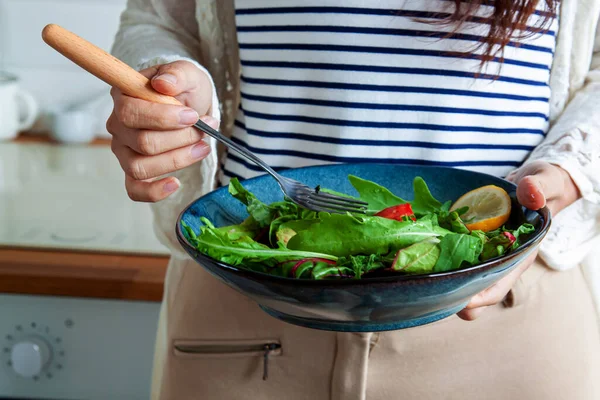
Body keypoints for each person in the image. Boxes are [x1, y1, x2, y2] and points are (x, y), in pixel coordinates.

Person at [107, 1, 600, 399]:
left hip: (504, 321)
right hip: (248, 300)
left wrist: (572, 166)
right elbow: (156, 19)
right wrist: (167, 84)